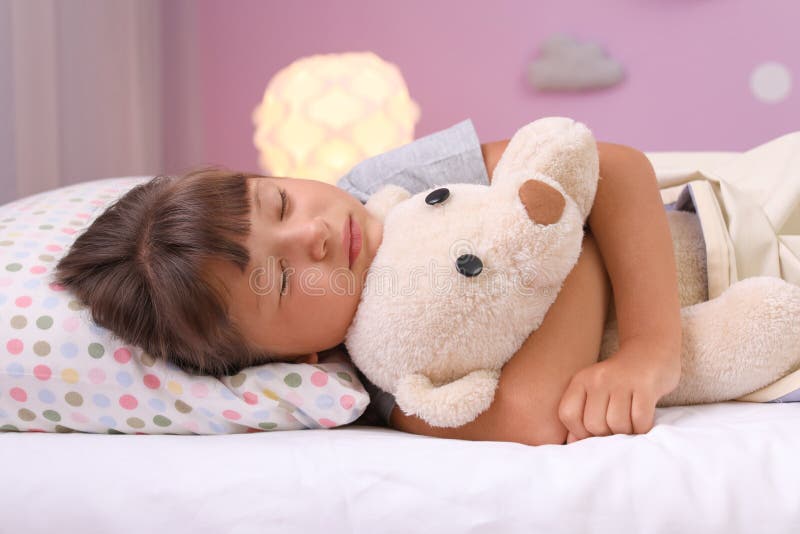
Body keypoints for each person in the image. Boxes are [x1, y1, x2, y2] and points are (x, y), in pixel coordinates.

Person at [53, 119, 683, 446]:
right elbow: (529, 415)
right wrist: (575, 243)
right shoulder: (376, 379)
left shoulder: (379, 182)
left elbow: (606, 164)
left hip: (703, 220)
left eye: (278, 204)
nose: (312, 237)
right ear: (294, 357)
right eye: (279, 280)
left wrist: (649, 349)